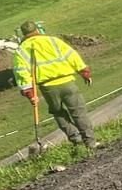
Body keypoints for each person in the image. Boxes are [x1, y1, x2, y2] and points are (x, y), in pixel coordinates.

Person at [13, 20, 101, 150]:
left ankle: (76, 139)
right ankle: (91, 142)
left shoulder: (21, 51)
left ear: (23, 34)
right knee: (79, 112)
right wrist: (84, 73)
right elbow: (72, 56)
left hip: (48, 88)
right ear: (37, 30)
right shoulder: (54, 41)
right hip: (67, 83)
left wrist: (30, 94)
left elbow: (21, 73)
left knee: (58, 113)